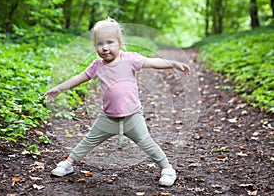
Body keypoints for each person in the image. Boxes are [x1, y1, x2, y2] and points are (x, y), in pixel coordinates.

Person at [44, 17, 190, 187]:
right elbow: (79, 78)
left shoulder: (130, 59)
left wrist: (172, 63)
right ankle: (67, 164)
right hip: (107, 118)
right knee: (88, 141)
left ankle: (167, 169)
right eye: (100, 44)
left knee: (147, 143)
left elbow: (152, 62)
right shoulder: (97, 66)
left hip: (132, 117)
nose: (105, 48)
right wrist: (59, 88)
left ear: (120, 43)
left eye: (110, 42)